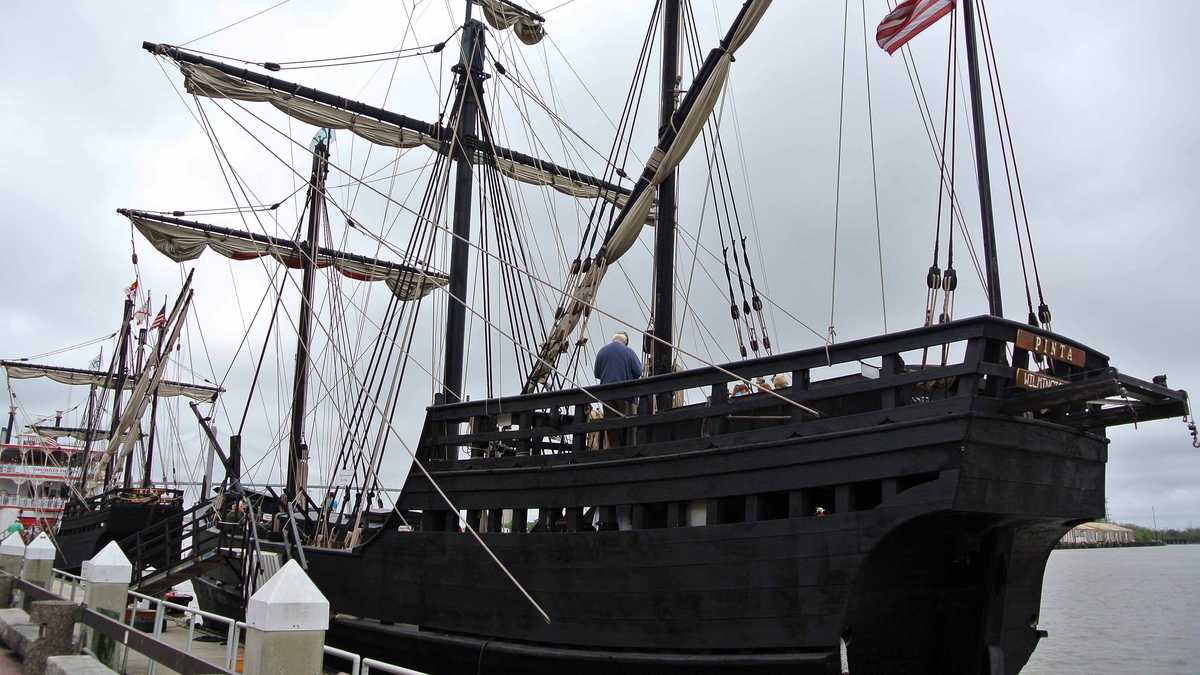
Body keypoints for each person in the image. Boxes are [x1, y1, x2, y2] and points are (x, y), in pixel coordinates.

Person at [594, 332, 643, 448]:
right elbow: (638, 372)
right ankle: (629, 451)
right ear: (625, 342)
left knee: (612, 426)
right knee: (628, 426)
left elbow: (597, 373)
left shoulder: (602, 352)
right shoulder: (629, 352)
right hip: (626, 396)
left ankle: (614, 450)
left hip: (606, 396)